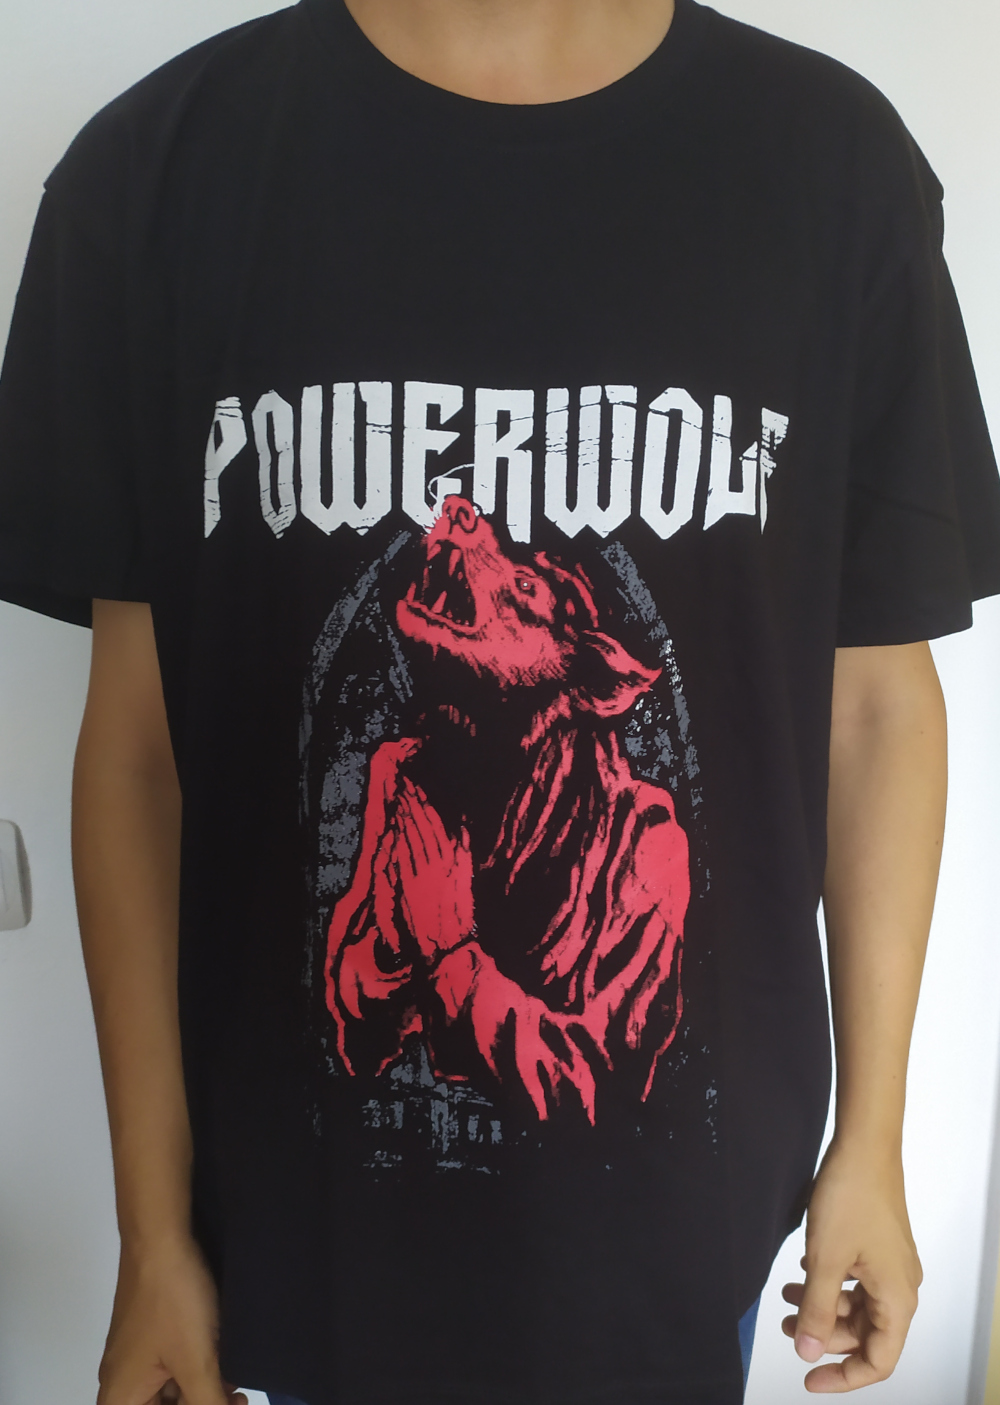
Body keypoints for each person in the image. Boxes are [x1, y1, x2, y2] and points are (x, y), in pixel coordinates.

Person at [1, 0, 999, 1401]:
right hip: (303, 1250)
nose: (458, 523)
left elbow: (877, 709)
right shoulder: (154, 174)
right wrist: (152, 1232)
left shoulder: (830, 167)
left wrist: (873, 1143)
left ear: (586, 675)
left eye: (515, 580)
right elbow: (140, 757)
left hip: (675, 1248)